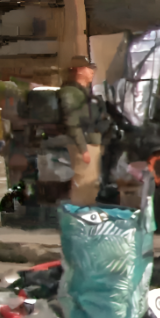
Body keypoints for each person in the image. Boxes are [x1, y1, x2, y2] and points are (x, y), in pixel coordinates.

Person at [59, 55, 104, 206]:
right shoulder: (70, 93)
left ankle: (85, 218)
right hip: (83, 144)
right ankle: (80, 221)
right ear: (79, 70)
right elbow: (72, 122)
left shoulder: (82, 93)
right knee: (85, 184)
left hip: (90, 142)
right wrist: (83, 149)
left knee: (91, 185)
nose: (92, 72)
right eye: (88, 68)